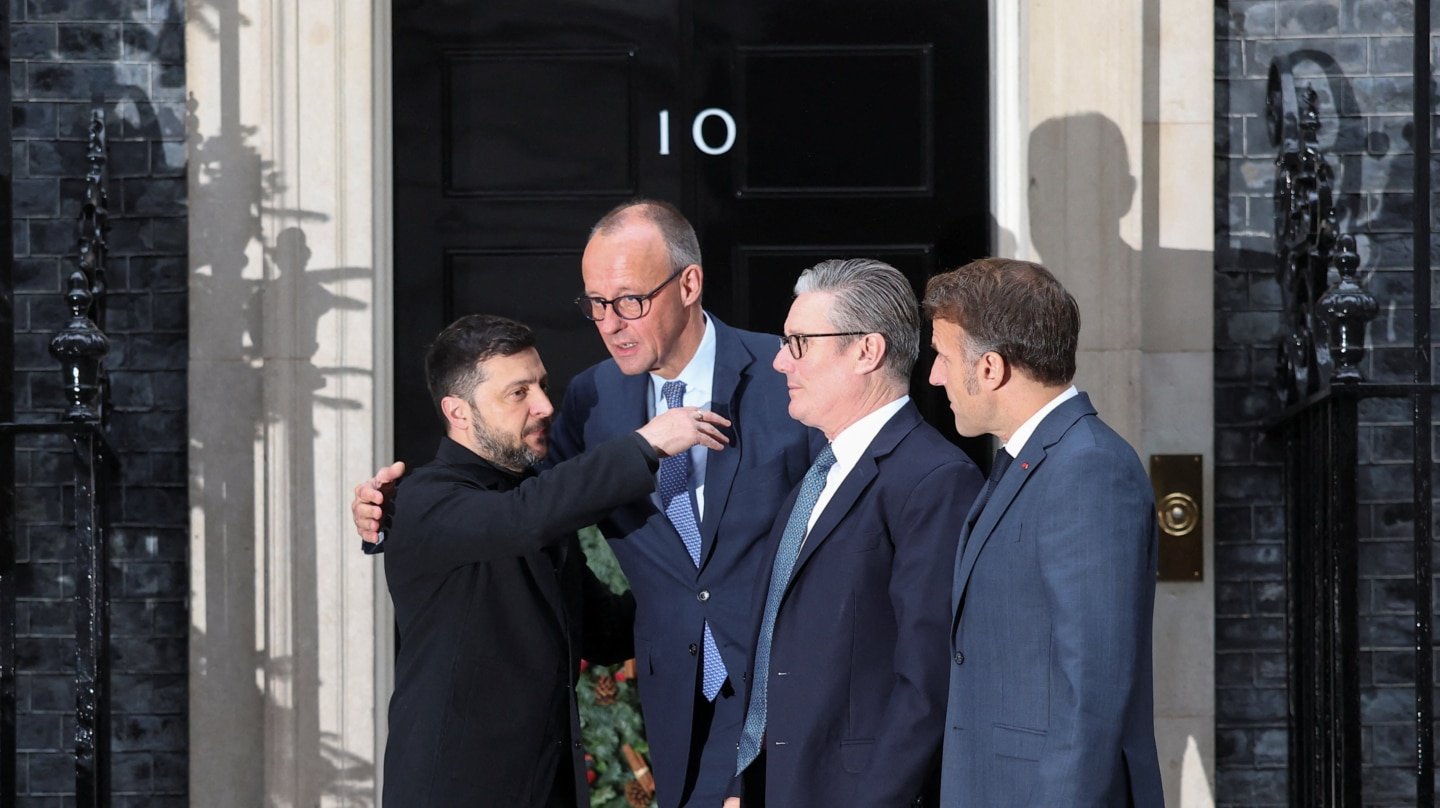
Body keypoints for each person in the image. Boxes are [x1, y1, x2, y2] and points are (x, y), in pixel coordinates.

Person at [353, 201, 818, 807]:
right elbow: (521, 498)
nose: (610, 322)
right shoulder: (595, 400)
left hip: (782, 693)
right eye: (596, 304)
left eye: (628, 300)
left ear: (689, 283)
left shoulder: (787, 375)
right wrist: (394, 511)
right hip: (664, 720)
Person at [381, 314, 731, 808]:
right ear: (458, 412)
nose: (545, 406)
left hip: (550, 787)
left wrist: (714, 590)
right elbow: (522, 519)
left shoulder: (529, 495)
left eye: (542, 385)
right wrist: (646, 444)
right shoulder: (420, 500)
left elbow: (604, 630)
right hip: (455, 790)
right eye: (518, 393)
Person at [722, 259, 982, 808]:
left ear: (867, 350)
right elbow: (780, 647)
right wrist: (744, 782)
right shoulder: (816, 476)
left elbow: (928, 683)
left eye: (798, 343)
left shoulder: (934, 480)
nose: (778, 361)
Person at [923, 258, 1164, 806]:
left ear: (990, 369)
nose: (934, 377)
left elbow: (1093, 692)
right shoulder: (1032, 459)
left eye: (941, 356)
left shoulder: (1089, 468)